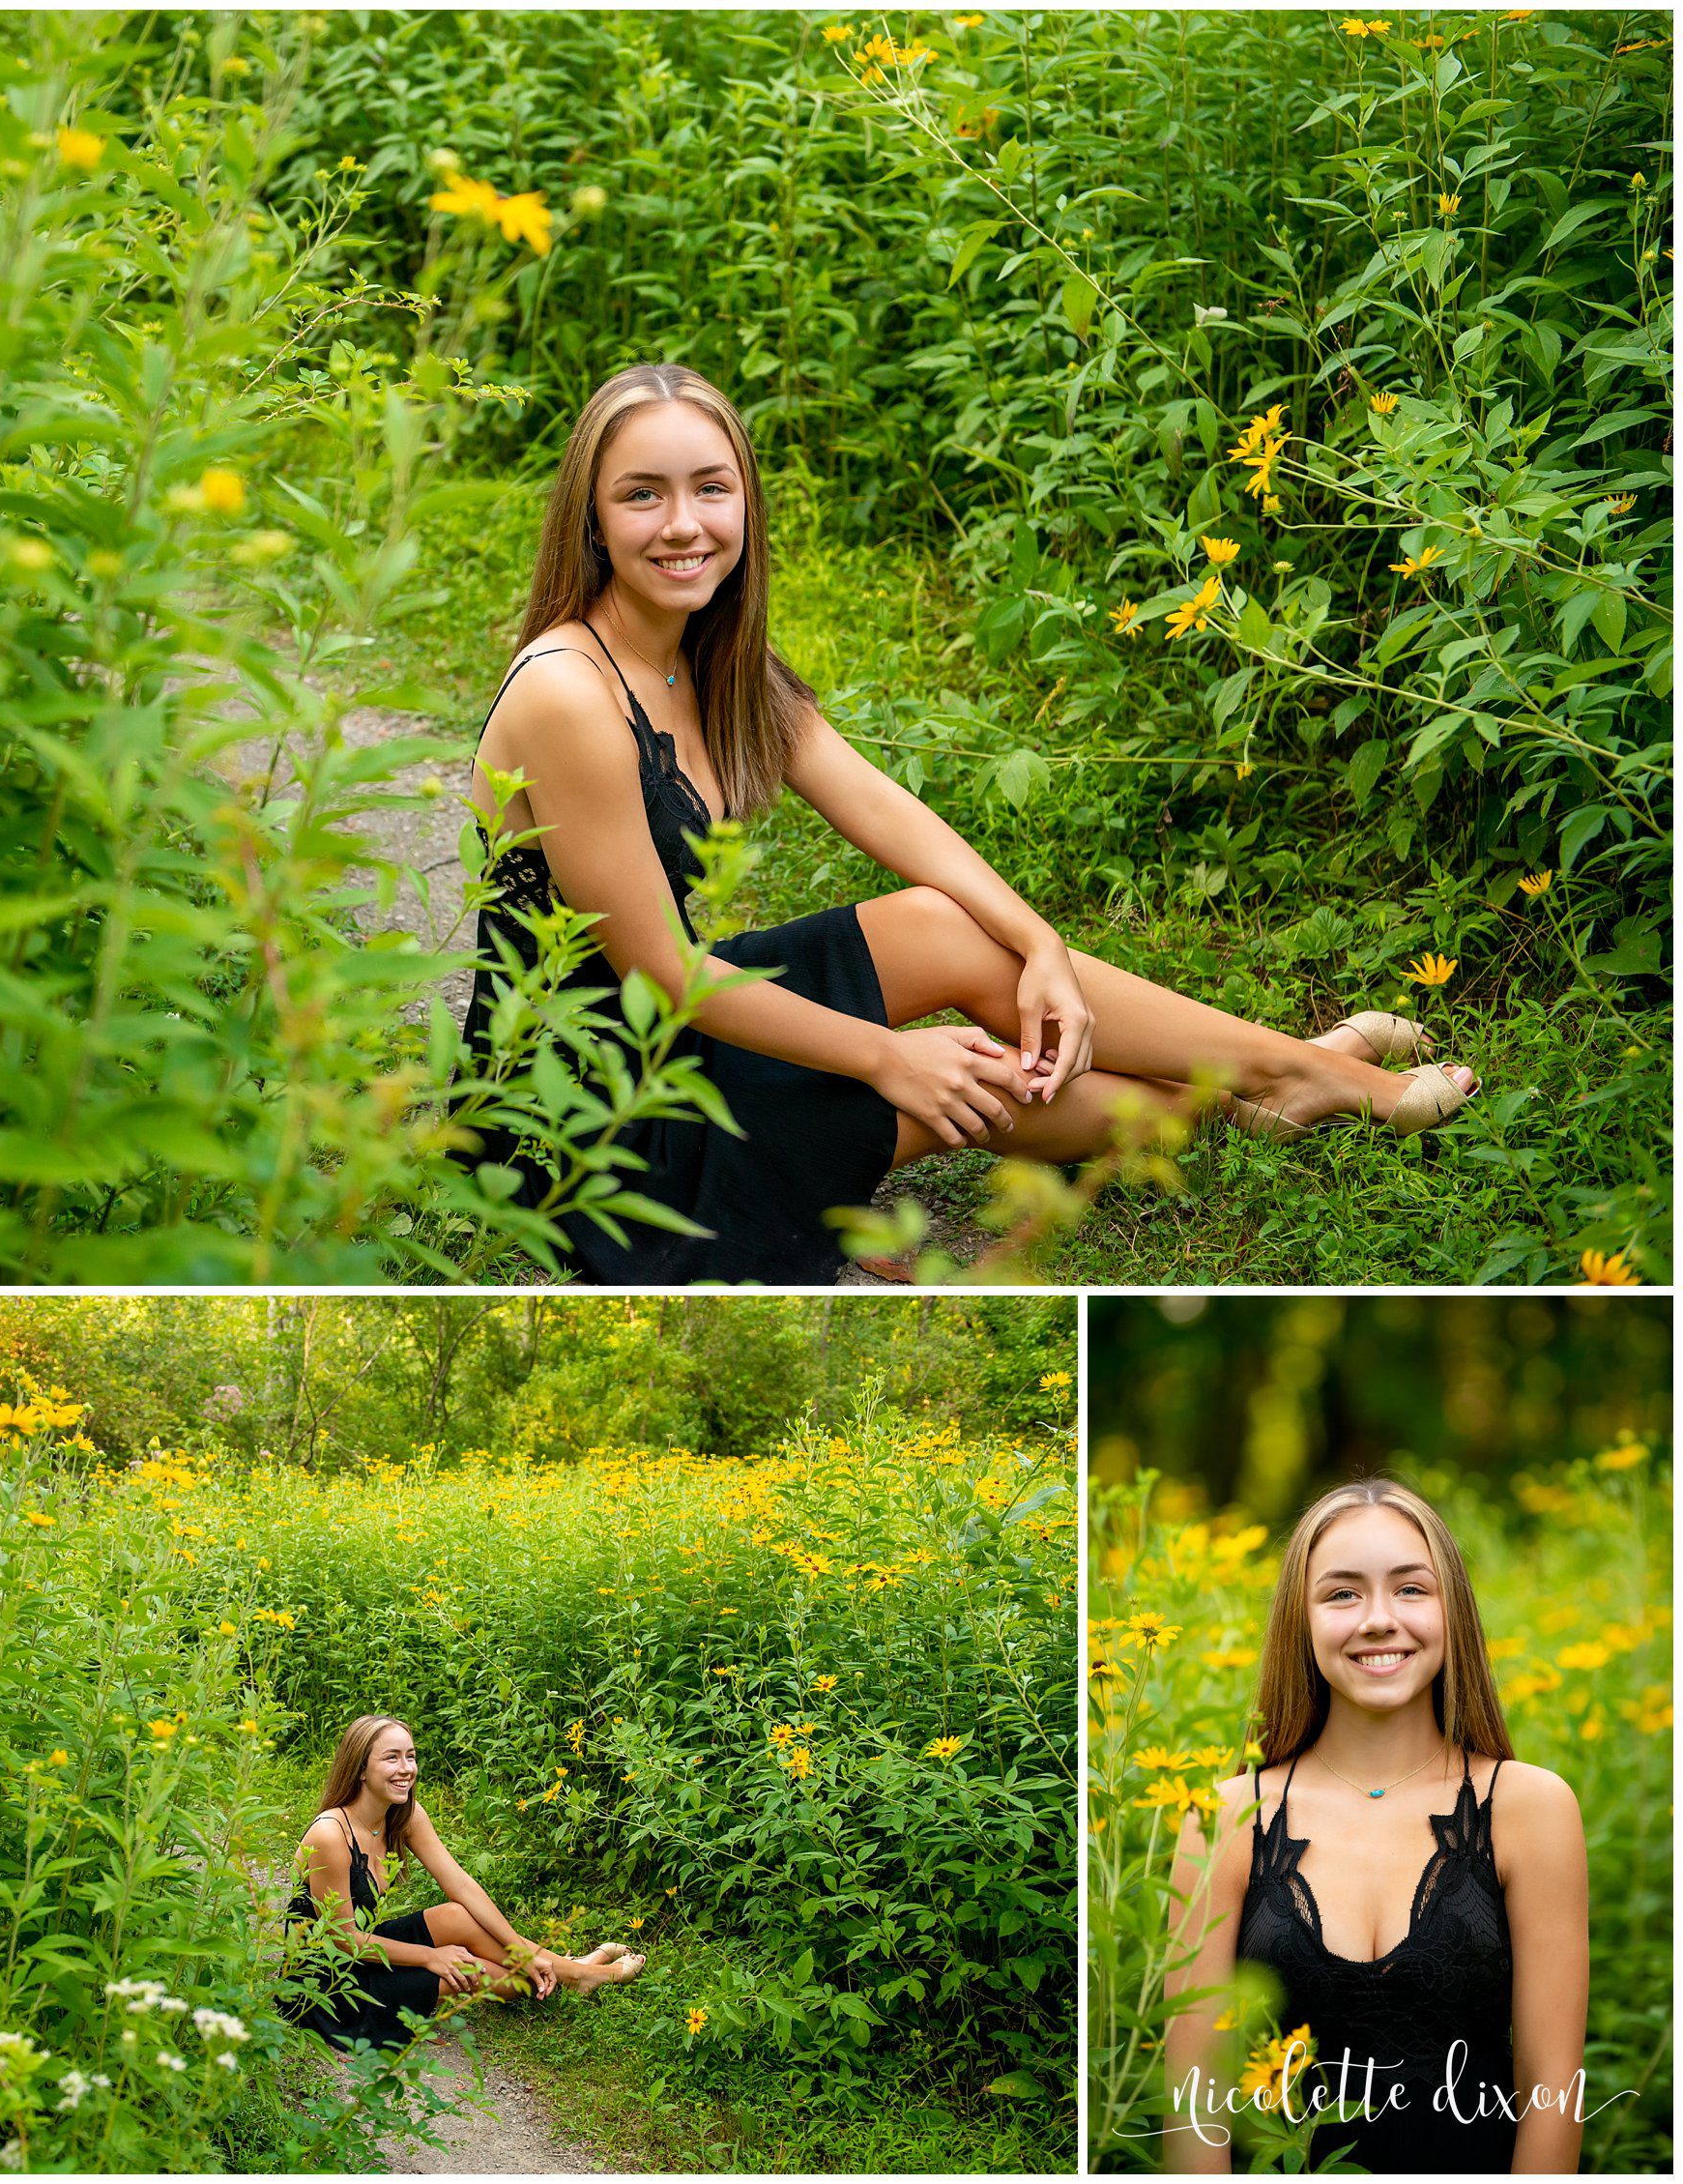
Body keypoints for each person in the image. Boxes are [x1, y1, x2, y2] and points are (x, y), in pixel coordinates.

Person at [458, 361, 1480, 1283]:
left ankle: (1288, 1076)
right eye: (642, 495)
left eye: (709, 488)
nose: (682, 524)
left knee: (944, 927)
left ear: (745, 504)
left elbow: (889, 814)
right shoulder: (569, 696)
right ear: (591, 519)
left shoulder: (710, 655)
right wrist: (885, 1054)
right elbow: (663, 975)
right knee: (946, 1080)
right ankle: (1289, 1085)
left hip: (671, 1034)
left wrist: (1037, 944)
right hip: (590, 1116)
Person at [1163, 1478, 1589, 2173]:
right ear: (1298, 1621)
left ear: (1455, 1611)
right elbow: (1194, 2107)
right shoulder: (1223, 1818)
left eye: (1412, 1588)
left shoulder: (1530, 1808)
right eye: (1342, 1593)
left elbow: (1554, 2097)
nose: (1379, 1618)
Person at [282, 1715, 643, 2051]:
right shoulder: (330, 1835)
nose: (406, 1769)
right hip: (328, 1982)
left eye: (410, 1756)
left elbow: (462, 1887)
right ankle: (577, 1973)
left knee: (457, 1914)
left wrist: (518, 1948)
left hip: (365, 1950)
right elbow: (342, 1941)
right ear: (360, 1768)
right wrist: (430, 1956)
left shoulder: (404, 1815)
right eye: (391, 1758)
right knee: (495, 1978)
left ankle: (575, 1971)